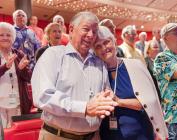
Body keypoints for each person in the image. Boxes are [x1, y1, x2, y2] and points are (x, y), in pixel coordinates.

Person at [31, 11, 118, 140]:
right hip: (58, 136)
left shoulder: (100, 63)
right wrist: (84, 108)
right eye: (86, 29)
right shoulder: (53, 55)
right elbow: (44, 96)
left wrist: (108, 96)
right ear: (71, 29)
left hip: (94, 136)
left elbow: (106, 90)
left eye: (94, 32)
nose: (91, 35)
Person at [94, 26, 168, 140]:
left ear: (114, 41)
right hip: (108, 136)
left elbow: (148, 102)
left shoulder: (135, 65)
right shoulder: (95, 72)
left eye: (106, 42)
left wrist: (119, 101)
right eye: (98, 46)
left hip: (140, 133)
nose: (104, 48)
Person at [0, 22, 32, 128]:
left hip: (17, 102)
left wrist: (22, 69)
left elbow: (28, 78)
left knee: (15, 135)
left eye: (8, 35)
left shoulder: (19, 54)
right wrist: (5, 67)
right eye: (1, 35)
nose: (5, 38)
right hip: (0, 105)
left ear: (13, 37)